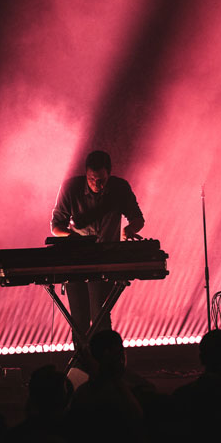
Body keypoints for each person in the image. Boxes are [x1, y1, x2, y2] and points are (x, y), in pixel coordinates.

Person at [51, 150, 144, 365]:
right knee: (79, 321)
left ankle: (106, 365)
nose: (96, 184)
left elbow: (138, 219)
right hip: (75, 261)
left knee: (100, 318)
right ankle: (83, 366)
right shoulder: (71, 187)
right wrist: (74, 237)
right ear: (86, 174)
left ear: (109, 175)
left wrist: (129, 230)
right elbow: (56, 226)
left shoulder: (120, 188)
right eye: (92, 179)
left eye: (101, 180)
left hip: (106, 260)